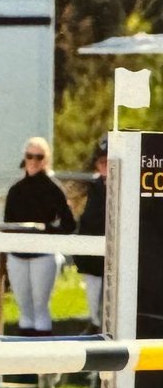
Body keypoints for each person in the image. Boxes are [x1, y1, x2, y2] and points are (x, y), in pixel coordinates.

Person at [3, 137, 76, 337]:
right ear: (24, 158)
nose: (33, 161)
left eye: (39, 156)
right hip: (18, 255)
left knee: (40, 307)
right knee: (24, 309)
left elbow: (69, 224)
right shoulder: (15, 190)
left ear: (46, 159)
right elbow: (8, 224)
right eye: (29, 156)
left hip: (43, 255)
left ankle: (43, 359)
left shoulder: (53, 189)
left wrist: (47, 231)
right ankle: (26, 363)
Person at [74, 136, 108, 334]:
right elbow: (86, 223)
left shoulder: (131, 188)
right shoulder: (94, 188)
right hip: (94, 260)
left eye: (111, 163)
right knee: (95, 308)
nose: (106, 167)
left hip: (121, 261)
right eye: (103, 163)